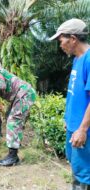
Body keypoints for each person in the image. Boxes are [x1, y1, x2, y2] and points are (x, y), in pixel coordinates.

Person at [49, 18, 90, 189]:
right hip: (73, 126)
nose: (60, 44)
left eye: (61, 40)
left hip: (84, 129)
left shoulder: (88, 60)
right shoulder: (76, 59)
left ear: (73, 39)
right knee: (76, 169)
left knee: (84, 175)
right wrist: (68, 119)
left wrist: (82, 129)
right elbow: (75, 93)